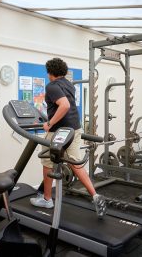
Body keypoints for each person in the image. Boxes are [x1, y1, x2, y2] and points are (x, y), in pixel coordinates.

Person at [30, 57, 107, 219]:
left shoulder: (52, 86)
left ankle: (47, 199)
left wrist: (49, 123)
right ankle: (95, 195)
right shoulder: (69, 84)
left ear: (50, 73)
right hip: (74, 129)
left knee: (47, 163)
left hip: (59, 132)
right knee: (75, 164)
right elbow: (67, 105)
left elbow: (64, 105)